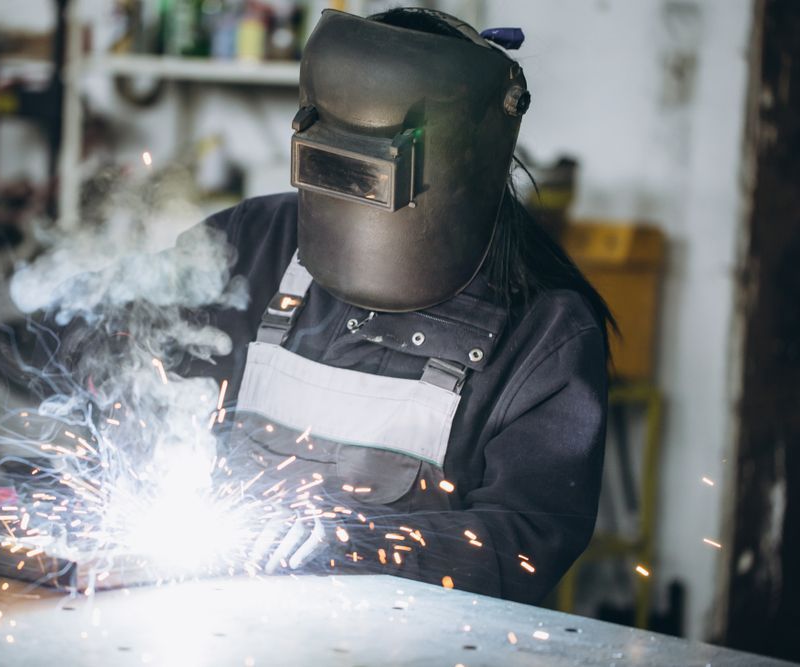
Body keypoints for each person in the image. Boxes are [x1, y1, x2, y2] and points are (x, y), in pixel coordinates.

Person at [180, 7, 614, 606]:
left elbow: (527, 540)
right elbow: (131, 346)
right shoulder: (252, 241)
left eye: (374, 177)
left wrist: (352, 544)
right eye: (333, 168)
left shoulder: (545, 332)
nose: (354, 200)